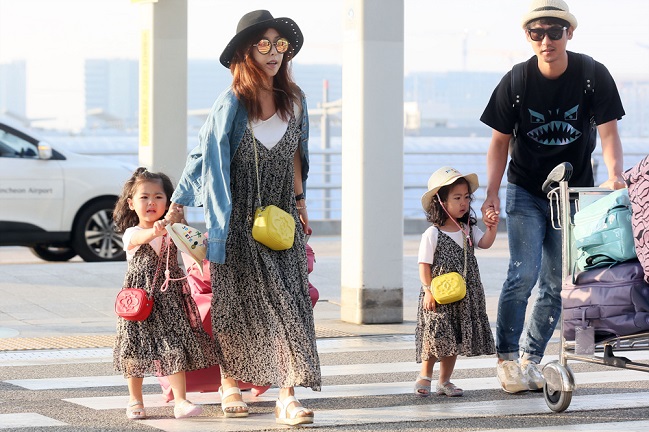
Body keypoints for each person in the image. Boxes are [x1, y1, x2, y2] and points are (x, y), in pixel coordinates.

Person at [169, 10, 320, 425]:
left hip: (280, 215)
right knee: (235, 305)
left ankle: (287, 396)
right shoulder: (232, 102)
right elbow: (203, 153)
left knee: (291, 304)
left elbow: (296, 155)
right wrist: (180, 200)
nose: (274, 53)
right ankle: (229, 383)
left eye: (280, 44)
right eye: (263, 44)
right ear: (246, 52)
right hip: (236, 217)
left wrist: (301, 203)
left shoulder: (295, 100)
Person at [480, 0, 626, 394]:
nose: (546, 41)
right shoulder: (517, 80)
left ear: (569, 33)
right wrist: (491, 192)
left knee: (557, 282)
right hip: (526, 189)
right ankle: (507, 359)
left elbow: (609, 133)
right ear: (528, 37)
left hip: (572, 193)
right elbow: (499, 142)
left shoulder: (592, 75)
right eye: (537, 33)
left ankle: (531, 358)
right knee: (522, 274)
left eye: (554, 32)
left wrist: (615, 175)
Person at [112, 167, 221, 420]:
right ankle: (135, 399)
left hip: (170, 297)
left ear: (168, 202)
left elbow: (195, 247)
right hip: (139, 300)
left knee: (174, 347)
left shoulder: (173, 228)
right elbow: (143, 236)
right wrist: (160, 228)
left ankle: (180, 400)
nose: (151, 202)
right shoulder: (132, 233)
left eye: (158, 197)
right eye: (144, 197)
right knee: (134, 349)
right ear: (131, 203)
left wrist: (179, 223)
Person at [414, 167, 498, 397]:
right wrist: (428, 291)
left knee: (454, 338)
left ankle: (445, 380)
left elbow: (485, 243)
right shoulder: (432, 234)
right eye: (457, 198)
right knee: (435, 335)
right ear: (441, 202)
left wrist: (492, 228)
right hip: (438, 296)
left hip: (463, 294)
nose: (464, 203)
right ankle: (425, 375)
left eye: (467, 197)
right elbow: (424, 265)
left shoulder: (467, 229)